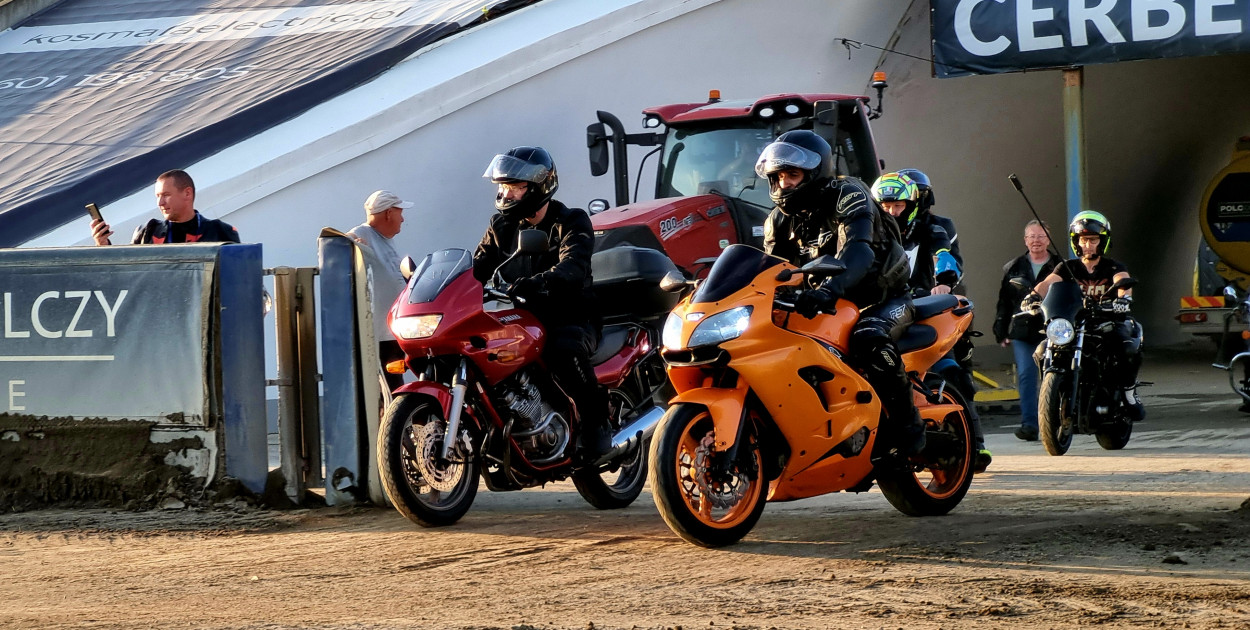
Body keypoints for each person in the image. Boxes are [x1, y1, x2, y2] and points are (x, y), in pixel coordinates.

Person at [758, 130, 924, 456]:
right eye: (778, 176)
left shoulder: (849, 194)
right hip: (827, 303)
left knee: (869, 338)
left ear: (815, 173)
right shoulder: (778, 221)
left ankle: (909, 426)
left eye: (793, 174)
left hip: (880, 298)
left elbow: (858, 252)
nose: (784, 184)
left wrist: (828, 290)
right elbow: (769, 271)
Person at [471, 146, 610, 461]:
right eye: (503, 187)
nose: (506, 194)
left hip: (571, 315)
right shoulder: (501, 227)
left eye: (515, 187)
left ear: (537, 187)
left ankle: (596, 422)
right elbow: (476, 268)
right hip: (521, 318)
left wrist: (538, 283)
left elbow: (573, 267)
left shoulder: (571, 221)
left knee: (563, 346)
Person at [871, 170, 990, 472]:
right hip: (885, 310)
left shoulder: (936, 227)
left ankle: (975, 446)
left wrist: (944, 282)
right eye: (885, 206)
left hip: (931, 309)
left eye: (899, 205)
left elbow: (944, 254)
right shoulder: (873, 230)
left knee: (955, 374)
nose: (892, 212)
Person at [1023, 210, 1144, 421]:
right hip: (1075, 324)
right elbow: (1047, 283)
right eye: (1083, 240)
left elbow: (1123, 281)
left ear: (1102, 241)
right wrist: (1032, 297)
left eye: (1093, 239)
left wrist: (1123, 298)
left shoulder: (1113, 266)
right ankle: (1053, 394)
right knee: (1042, 351)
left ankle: (1129, 393)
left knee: (1126, 347)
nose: (1087, 244)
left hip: (1106, 321)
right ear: (1076, 242)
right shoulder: (1068, 267)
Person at [994, 220, 1063, 441]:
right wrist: (1001, 330)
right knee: (1026, 376)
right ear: (1025, 240)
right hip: (1023, 331)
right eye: (1032, 236)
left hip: (1053, 330)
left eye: (1041, 236)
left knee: (1054, 377)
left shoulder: (1061, 266)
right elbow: (1004, 302)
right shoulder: (1013, 267)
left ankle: (1055, 422)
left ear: (1049, 240)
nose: (1036, 240)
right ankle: (1030, 425)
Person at [349, 190, 412, 392]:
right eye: (399, 213)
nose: (402, 219)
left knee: (393, 382)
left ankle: (394, 420)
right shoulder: (363, 233)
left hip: (392, 331)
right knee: (388, 386)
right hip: (378, 334)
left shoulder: (385, 239)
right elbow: (340, 241)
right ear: (388, 213)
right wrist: (350, 244)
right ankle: (390, 422)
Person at [91, 170, 240, 245]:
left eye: (166, 195)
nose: (160, 203)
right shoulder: (147, 232)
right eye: (157, 196)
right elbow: (126, 274)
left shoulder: (221, 232)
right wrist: (104, 246)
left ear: (187, 193)